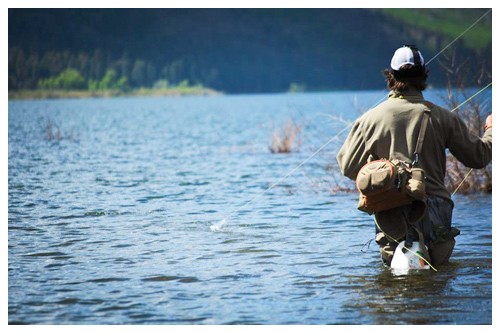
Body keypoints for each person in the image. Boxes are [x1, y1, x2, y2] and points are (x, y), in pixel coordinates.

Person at [336, 45, 492, 267]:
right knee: (438, 277)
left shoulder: (368, 120)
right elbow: (479, 157)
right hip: (436, 210)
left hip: (389, 213)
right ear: (423, 76)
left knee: (395, 282)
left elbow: (348, 167)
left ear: (390, 76)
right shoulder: (444, 117)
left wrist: (380, 171)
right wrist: (492, 130)